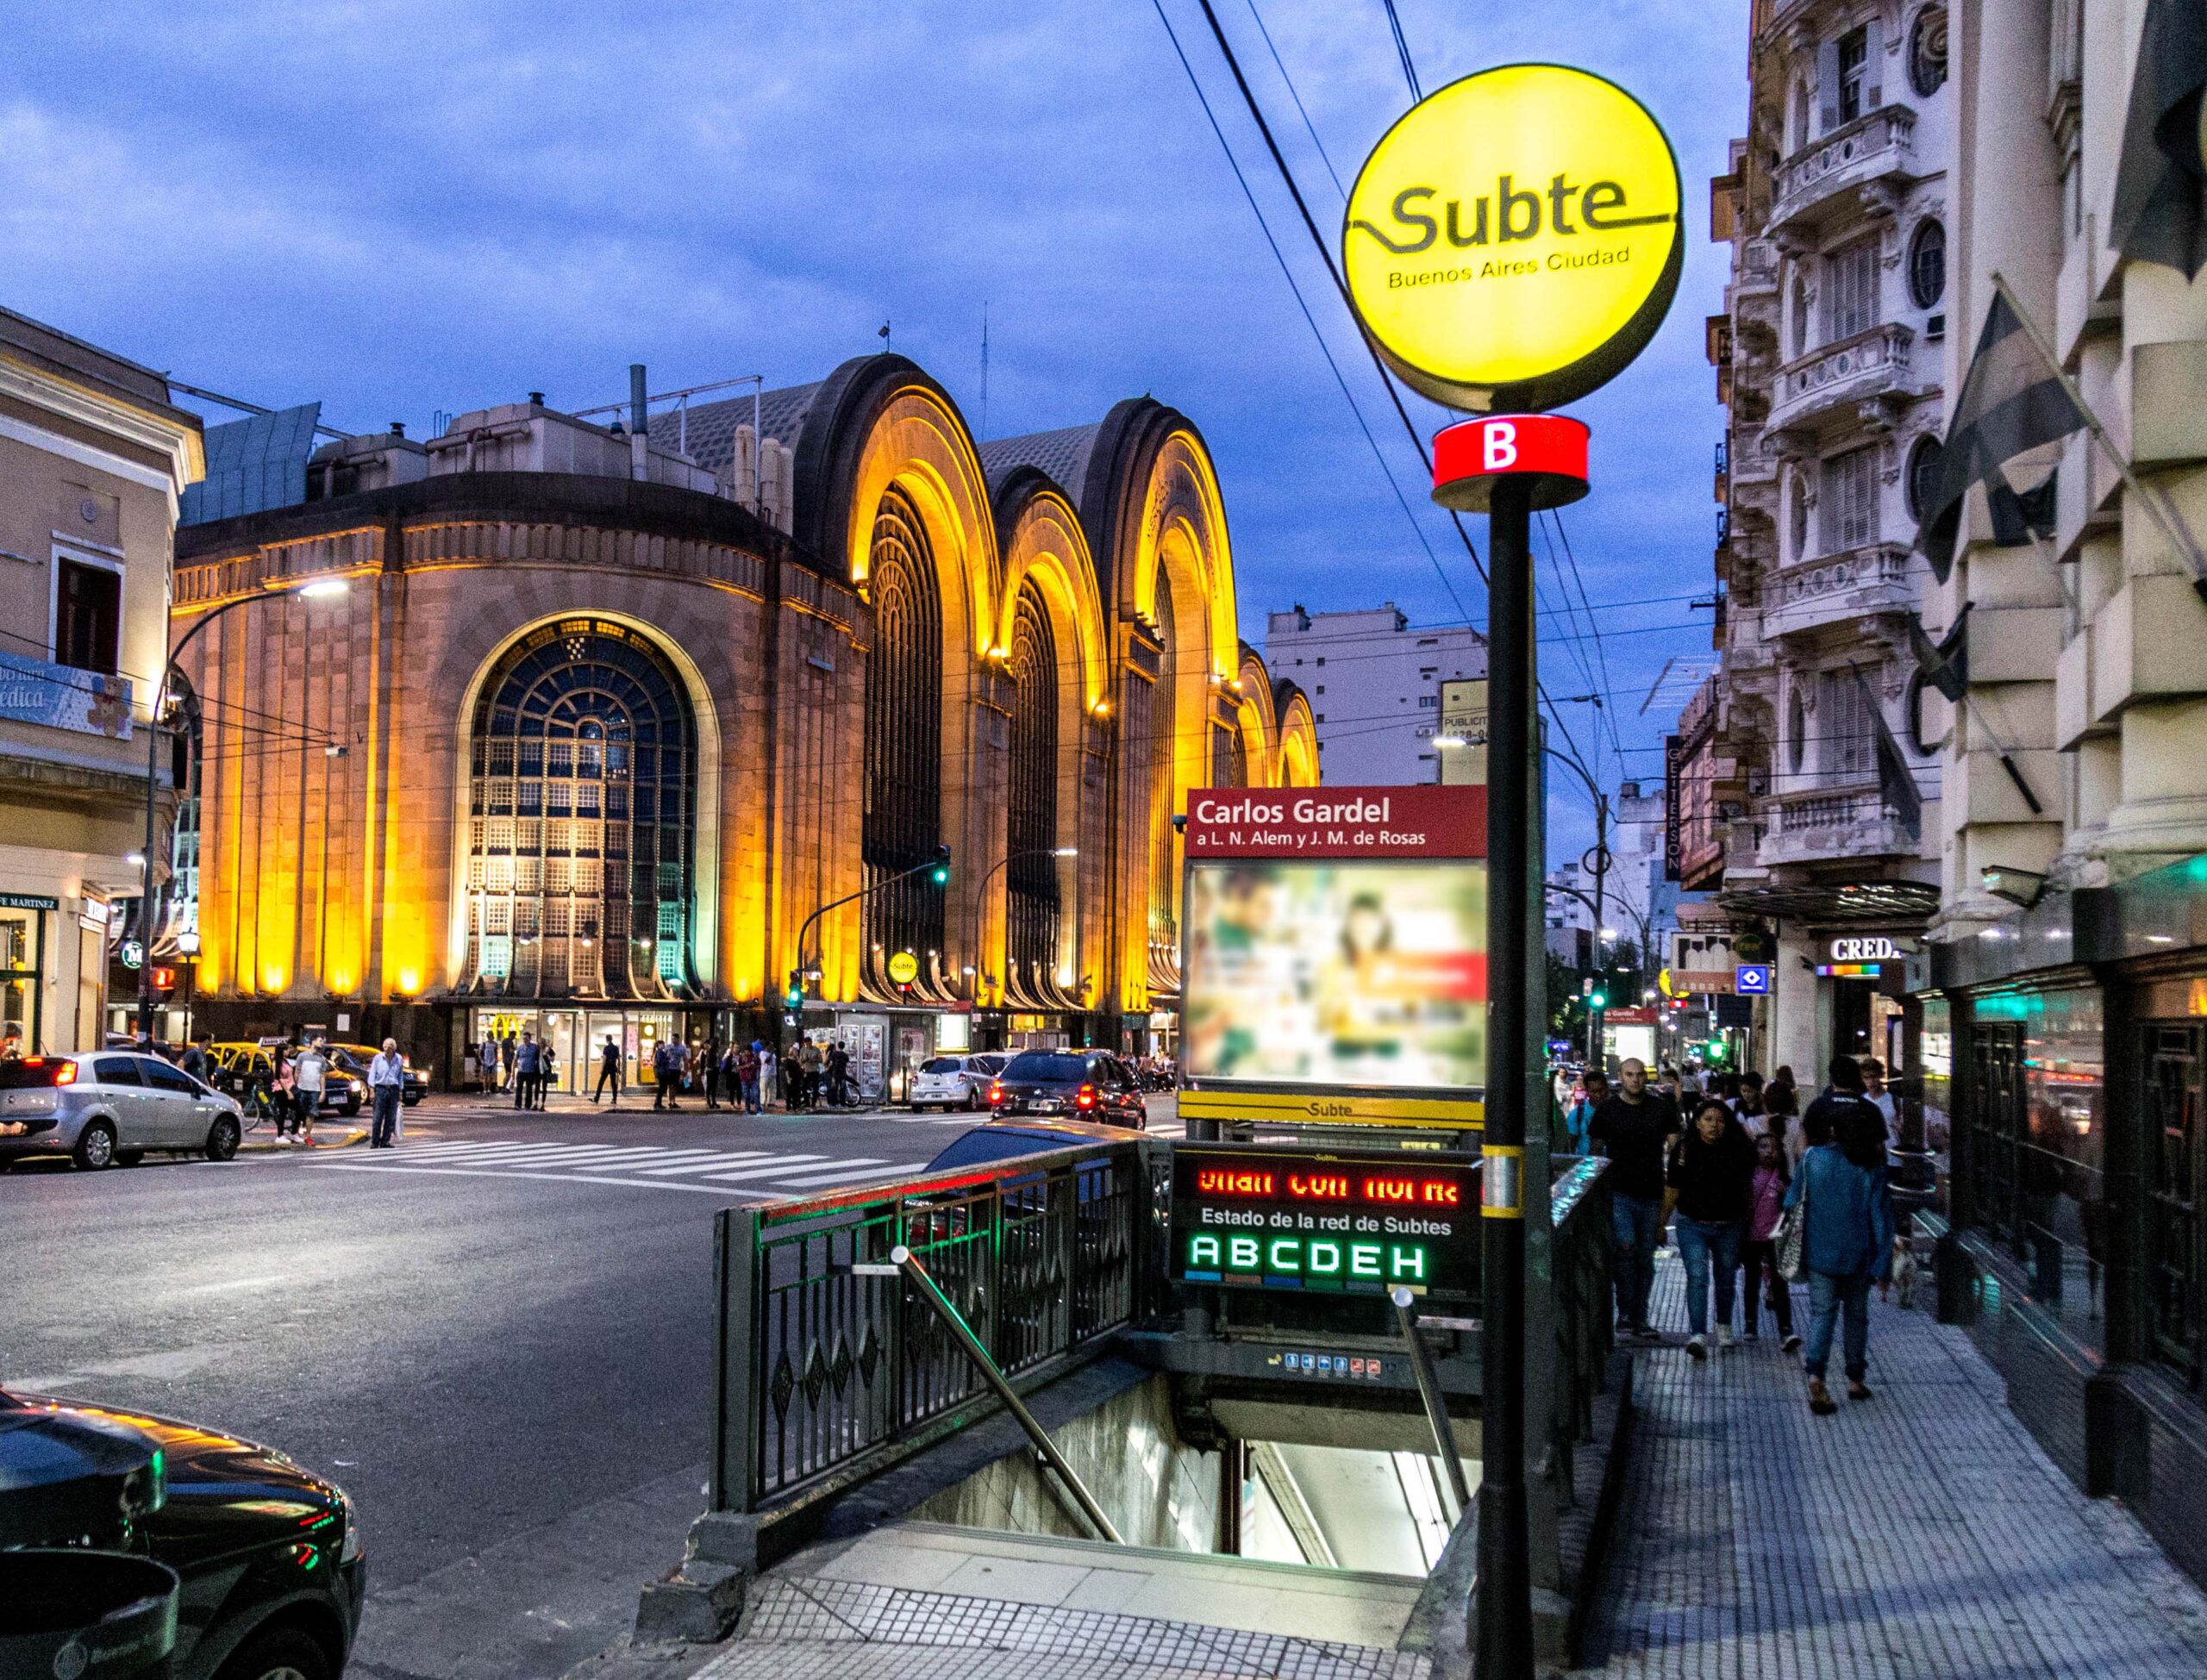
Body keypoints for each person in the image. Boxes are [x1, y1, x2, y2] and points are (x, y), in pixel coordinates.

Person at [1785, 1090, 1896, 1414]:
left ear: (1834, 1131)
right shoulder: (1871, 1170)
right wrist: (1882, 1267)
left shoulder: (1812, 1159)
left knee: (1822, 1315)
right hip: (1858, 1257)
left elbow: (1792, 1201)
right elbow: (1881, 1222)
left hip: (1820, 1253)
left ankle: (1816, 1375)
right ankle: (1855, 1379)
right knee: (1857, 1317)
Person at [1588, 1058, 1681, 1341]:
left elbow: (1676, 1146)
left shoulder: (1660, 1109)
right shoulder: (1607, 1110)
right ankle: (1626, 1313)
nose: (1635, 1080)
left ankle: (1639, 1315)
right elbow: (1594, 1150)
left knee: (1644, 1257)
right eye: (1630, 1075)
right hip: (1619, 1192)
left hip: (1651, 1192)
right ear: (1621, 1077)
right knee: (1626, 1249)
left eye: (1640, 1075)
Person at [1666, 1097, 1756, 1359]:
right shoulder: (1684, 1150)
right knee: (1698, 1276)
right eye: (1708, 1120)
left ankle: (1724, 1325)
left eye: (1719, 1120)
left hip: (1730, 1225)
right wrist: (1661, 1222)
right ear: (1697, 1123)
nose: (1714, 1125)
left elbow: (1747, 1189)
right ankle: (1698, 1334)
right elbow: (1672, 1187)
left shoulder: (1739, 1150)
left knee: (1726, 1278)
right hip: (1692, 1224)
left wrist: (1748, 1223)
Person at [1741, 1131, 1799, 1351]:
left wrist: (1787, 1196)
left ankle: (1785, 1327)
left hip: (1776, 1238)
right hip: (1751, 1237)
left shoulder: (1783, 1178)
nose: (1768, 1151)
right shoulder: (1749, 1176)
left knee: (1779, 1283)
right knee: (1751, 1281)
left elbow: (1793, 1207)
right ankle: (1750, 1322)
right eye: (1763, 1146)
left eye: (1773, 1147)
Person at [368, 1037, 405, 1148]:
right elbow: (372, 1074)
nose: (387, 1048)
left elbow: (400, 1076)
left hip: (393, 1089)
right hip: (381, 1089)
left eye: (390, 1046)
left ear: (394, 1048)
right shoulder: (378, 1058)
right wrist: (371, 1090)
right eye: (385, 1046)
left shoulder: (398, 1058)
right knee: (378, 1117)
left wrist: (400, 1091)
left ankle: (385, 1141)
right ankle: (375, 1141)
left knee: (391, 1117)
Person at [1563, 1070, 1608, 1157]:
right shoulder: (1578, 1113)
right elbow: (1570, 1145)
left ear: (1607, 1087)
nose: (1598, 1095)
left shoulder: (1615, 1110)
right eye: (1593, 1092)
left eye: (1601, 1090)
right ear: (1587, 1090)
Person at [294, 1039, 329, 1144]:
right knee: (299, 1113)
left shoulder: (322, 1059)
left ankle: (308, 1135)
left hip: (314, 1090)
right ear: (313, 1042)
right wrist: (296, 1086)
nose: (321, 1043)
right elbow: (297, 1072)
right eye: (320, 1041)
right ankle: (295, 1134)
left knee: (311, 1114)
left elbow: (322, 1076)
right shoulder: (302, 1056)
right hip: (302, 1088)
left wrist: (323, 1091)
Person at [1860, 1057, 1898, 1131]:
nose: (1871, 1081)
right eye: (1866, 1078)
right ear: (1862, 1079)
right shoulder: (1860, 1102)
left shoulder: (1895, 1101)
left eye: (1874, 1076)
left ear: (1881, 1075)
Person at [513, 1032, 541, 1110]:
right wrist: (513, 1071)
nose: (525, 1040)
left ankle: (527, 1105)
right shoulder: (520, 1048)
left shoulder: (534, 1047)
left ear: (530, 1039)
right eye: (524, 1038)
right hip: (521, 1071)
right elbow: (515, 1059)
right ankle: (517, 1104)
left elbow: (538, 1056)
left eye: (526, 1039)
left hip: (530, 1071)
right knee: (519, 1088)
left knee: (529, 1089)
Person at [653, 1037, 682, 1111]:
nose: (664, 1045)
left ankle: (658, 1103)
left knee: (662, 1088)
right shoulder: (660, 1052)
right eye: (662, 1044)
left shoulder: (659, 1052)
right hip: (662, 1073)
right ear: (659, 1045)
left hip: (661, 1072)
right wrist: (668, 1058)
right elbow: (660, 1061)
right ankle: (657, 1103)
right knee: (662, 1088)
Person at [595, 1035, 622, 1104]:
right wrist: (619, 1068)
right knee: (613, 1084)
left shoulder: (606, 1048)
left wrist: (602, 1068)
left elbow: (604, 1058)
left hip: (607, 1067)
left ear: (607, 1040)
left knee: (601, 1082)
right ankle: (614, 1099)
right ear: (612, 1039)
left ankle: (596, 1098)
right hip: (613, 1066)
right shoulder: (616, 1048)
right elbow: (618, 1059)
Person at [737, 1040, 761, 1114]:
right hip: (744, 1079)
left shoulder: (755, 1057)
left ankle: (758, 1109)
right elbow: (738, 1067)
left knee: (756, 1094)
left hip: (753, 1078)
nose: (747, 1053)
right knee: (746, 1095)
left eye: (749, 1052)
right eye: (746, 1051)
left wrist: (754, 1066)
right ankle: (747, 1109)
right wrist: (745, 1066)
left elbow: (760, 1066)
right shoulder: (741, 1057)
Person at [702, 1035, 725, 1110]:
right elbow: (708, 1061)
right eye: (718, 1042)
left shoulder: (717, 1050)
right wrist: (714, 1065)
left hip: (716, 1069)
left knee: (714, 1086)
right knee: (709, 1085)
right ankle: (709, 1101)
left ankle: (714, 1101)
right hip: (711, 1069)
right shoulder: (711, 1050)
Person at [826, 1042, 851, 1108]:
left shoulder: (834, 1054)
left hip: (835, 1074)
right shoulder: (845, 1055)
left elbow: (831, 1063)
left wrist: (827, 1069)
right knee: (842, 1088)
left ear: (838, 1046)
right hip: (842, 1074)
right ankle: (842, 1103)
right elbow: (847, 1063)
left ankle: (833, 1103)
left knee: (834, 1088)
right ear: (844, 1046)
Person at [758, 1042, 778, 1112]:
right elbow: (766, 1061)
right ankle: (763, 1102)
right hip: (765, 1074)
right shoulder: (762, 1053)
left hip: (772, 1073)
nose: (772, 1047)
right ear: (767, 1046)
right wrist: (771, 1053)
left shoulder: (773, 1054)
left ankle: (771, 1102)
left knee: (772, 1089)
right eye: (770, 1046)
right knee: (764, 1089)